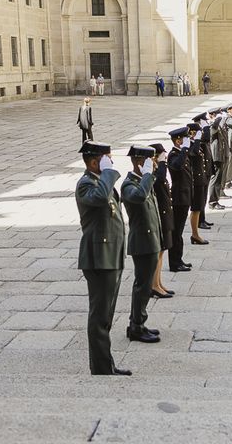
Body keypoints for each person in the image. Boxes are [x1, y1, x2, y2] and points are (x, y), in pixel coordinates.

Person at [75, 140, 130, 376]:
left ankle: (105, 362)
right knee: (99, 315)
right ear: (95, 162)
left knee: (106, 314)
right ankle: (100, 368)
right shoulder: (86, 184)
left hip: (110, 255)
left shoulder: (99, 182)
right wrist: (108, 172)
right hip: (98, 257)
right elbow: (98, 199)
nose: (111, 163)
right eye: (107, 160)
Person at [121, 145, 162, 344]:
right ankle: (136, 326)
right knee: (142, 285)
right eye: (150, 161)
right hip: (142, 242)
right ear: (140, 163)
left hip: (151, 240)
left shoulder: (142, 182)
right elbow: (138, 197)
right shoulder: (130, 185)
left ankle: (139, 322)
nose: (154, 165)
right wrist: (147, 175)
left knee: (145, 286)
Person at [149, 143, 175, 299]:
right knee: (158, 251)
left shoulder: (156, 169)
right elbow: (159, 179)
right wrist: (161, 163)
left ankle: (158, 283)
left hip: (165, 213)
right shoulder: (151, 171)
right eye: (161, 155)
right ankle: (154, 285)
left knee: (162, 251)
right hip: (160, 214)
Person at [167, 126, 195, 272]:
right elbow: (177, 166)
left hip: (185, 196)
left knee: (179, 231)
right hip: (179, 198)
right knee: (176, 232)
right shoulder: (173, 155)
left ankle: (179, 259)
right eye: (185, 138)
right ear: (178, 140)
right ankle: (174, 263)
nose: (188, 141)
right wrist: (184, 149)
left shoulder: (181, 153)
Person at [187, 123, 209, 245]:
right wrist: (195, 140)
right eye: (197, 132)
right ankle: (195, 234)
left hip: (201, 180)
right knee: (196, 208)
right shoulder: (189, 145)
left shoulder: (195, 143)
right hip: (195, 181)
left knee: (199, 207)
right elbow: (194, 153)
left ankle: (195, 234)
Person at [208, 107, 228, 210]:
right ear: (212, 115)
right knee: (215, 179)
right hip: (216, 156)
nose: (219, 116)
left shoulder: (218, 124)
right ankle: (212, 202)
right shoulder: (211, 125)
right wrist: (217, 119)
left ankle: (216, 199)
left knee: (218, 179)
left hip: (220, 154)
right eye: (216, 114)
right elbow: (213, 130)